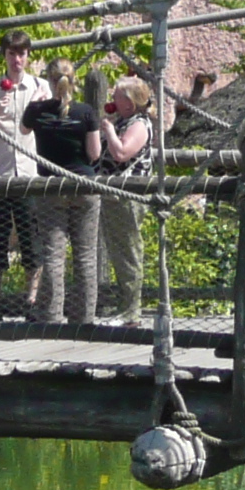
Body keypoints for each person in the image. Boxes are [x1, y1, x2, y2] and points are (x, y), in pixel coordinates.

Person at [0, 34, 51, 318]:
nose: (17, 60)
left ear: (29, 55)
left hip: (30, 175)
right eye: (11, 54)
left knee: (32, 238)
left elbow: (53, 129)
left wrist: (44, 108)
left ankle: (31, 301)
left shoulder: (41, 87)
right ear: (3, 56)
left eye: (22, 53)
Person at [22, 78, 101, 321]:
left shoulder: (37, 111)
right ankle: (84, 318)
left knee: (53, 254)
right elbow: (95, 153)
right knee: (86, 255)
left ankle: (51, 316)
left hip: (51, 187)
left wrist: (36, 101)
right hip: (84, 186)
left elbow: (23, 130)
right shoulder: (85, 111)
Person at [96, 75, 156, 323]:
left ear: (130, 103)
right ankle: (125, 304)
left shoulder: (139, 124)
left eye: (117, 96)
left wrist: (109, 131)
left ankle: (132, 309)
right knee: (117, 251)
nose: (112, 99)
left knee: (128, 252)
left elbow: (121, 153)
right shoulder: (123, 121)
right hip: (112, 195)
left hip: (129, 196)